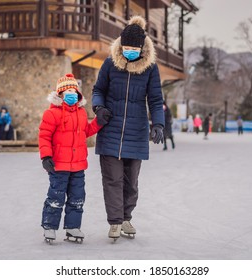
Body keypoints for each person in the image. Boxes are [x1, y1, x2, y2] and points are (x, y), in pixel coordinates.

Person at [92, 15, 165, 241]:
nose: (129, 51)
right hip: (111, 129)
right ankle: (115, 223)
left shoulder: (150, 68)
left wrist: (159, 124)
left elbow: (155, 99)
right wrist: (98, 107)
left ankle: (126, 218)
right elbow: (98, 90)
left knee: (131, 181)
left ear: (142, 48)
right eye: (126, 47)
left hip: (136, 131)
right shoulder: (109, 63)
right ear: (121, 45)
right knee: (112, 179)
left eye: (134, 48)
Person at [39, 73, 102, 243]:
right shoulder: (51, 114)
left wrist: (98, 122)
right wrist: (46, 156)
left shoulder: (81, 113)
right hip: (58, 166)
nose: (71, 94)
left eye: (74, 91)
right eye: (67, 92)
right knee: (56, 197)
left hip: (78, 165)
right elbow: (44, 136)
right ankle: (50, 227)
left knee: (77, 197)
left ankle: (73, 227)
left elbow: (86, 132)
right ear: (59, 95)